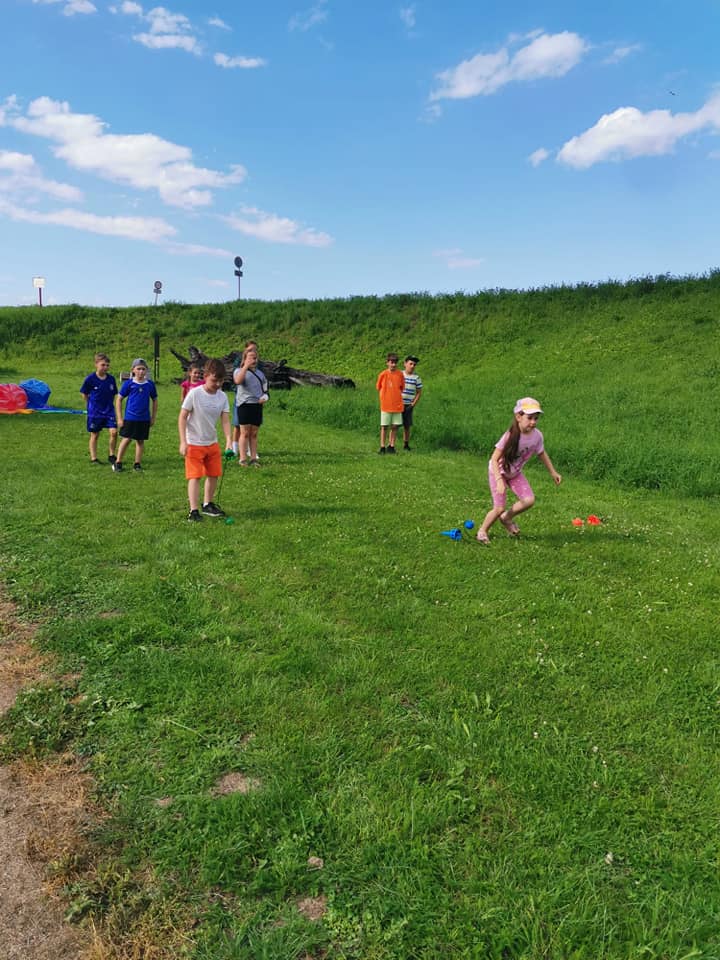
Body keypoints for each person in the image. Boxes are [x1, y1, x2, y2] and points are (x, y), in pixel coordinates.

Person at [476, 397, 562, 544]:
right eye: (530, 418)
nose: (533, 422)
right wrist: (499, 480)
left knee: (529, 500)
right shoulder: (509, 436)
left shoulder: (537, 436)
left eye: (536, 418)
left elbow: (542, 453)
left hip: (515, 473)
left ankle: (506, 518)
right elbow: (494, 459)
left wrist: (553, 472)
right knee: (499, 508)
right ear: (518, 417)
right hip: (498, 472)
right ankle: (482, 531)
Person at [179, 358, 233, 521]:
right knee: (194, 476)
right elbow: (182, 417)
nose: (218, 384)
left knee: (214, 474)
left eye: (221, 381)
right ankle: (193, 511)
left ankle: (208, 504)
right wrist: (183, 441)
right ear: (206, 376)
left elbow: (225, 420)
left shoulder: (222, 397)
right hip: (194, 443)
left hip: (212, 442)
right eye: (214, 380)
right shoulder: (195, 394)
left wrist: (229, 440)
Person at [112, 358, 158, 472]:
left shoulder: (150, 385)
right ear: (133, 370)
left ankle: (137, 463)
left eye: (143, 369)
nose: (141, 371)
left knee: (140, 441)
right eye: (138, 369)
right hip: (130, 417)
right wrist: (120, 418)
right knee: (126, 439)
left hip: (144, 418)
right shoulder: (129, 384)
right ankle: (118, 462)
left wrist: (153, 417)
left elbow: (155, 400)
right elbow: (119, 399)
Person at [232, 344, 268, 467]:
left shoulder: (261, 374)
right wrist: (245, 366)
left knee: (254, 433)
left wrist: (265, 397)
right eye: (251, 357)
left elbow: (265, 389)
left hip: (257, 405)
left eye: (255, 358)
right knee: (245, 433)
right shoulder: (238, 371)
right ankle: (242, 459)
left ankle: (253, 459)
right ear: (245, 358)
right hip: (244, 405)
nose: (254, 360)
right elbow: (238, 381)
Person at [80, 352, 118, 465]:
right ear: (96, 364)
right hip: (95, 412)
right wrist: (91, 404)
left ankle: (112, 455)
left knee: (114, 432)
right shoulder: (90, 379)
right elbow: (84, 393)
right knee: (95, 434)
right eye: (103, 365)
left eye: (107, 365)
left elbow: (114, 393)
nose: (105, 367)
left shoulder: (111, 379)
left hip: (109, 411)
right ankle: (94, 458)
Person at [376, 352, 404, 454]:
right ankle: (382, 447)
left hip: (397, 405)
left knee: (395, 426)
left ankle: (391, 446)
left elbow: (401, 387)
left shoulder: (400, 374)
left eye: (395, 362)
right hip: (386, 405)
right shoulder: (383, 374)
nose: (394, 364)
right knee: (384, 426)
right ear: (387, 363)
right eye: (392, 362)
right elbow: (378, 387)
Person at [401, 355, 423, 450]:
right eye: (410, 364)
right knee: (394, 425)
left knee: (407, 426)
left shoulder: (416, 378)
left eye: (414, 364)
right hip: (398, 404)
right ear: (405, 364)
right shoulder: (400, 374)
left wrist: (412, 404)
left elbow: (419, 392)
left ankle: (406, 444)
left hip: (408, 405)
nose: (412, 366)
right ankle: (391, 444)